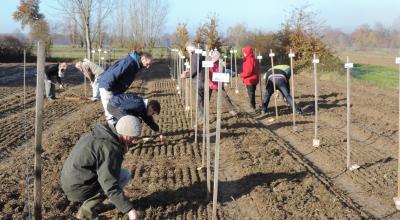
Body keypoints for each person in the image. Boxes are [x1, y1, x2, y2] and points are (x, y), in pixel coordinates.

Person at [61, 115, 143, 220]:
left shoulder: (99, 133)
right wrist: (130, 211)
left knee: (119, 174)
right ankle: (86, 209)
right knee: (123, 176)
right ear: (127, 135)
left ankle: (94, 204)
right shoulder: (110, 148)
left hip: (70, 181)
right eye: (133, 138)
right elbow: (110, 185)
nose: (133, 142)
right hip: (79, 189)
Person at [99, 51, 153, 124]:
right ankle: (114, 132)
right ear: (143, 58)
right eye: (147, 64)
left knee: (116, 109)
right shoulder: (129, 62)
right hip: (108, 86)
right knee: (110, 112)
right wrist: (108, 87)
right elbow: (115, 72)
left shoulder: (135, 64)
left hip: (114, 89)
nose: (148, 67)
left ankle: (118, 129)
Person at [181, 43, 205, 121]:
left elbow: (194, 70)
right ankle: (201, 116)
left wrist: (185, 75)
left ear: (190, 47)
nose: (188, 52)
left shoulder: (195, 54)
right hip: (203, 78)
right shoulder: (201, 52)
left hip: (198, 80)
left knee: (198, 100)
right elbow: (195, 67)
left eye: (187, 49)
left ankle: (200, 118)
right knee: (201, 99)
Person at [208, 51, 237, 115]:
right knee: (207, 97)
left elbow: (224, 66)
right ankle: (204, 109)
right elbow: (207, 72)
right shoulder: (208, 62)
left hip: (218, 81)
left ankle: (231, 109)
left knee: (225, 96)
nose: (217, 60)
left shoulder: (220, 61)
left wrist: (225, 65)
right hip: (210, 82)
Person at [239, 47, 259, 112]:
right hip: (253, 79)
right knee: (251, 93)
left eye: (244, 52)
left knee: (251, 93)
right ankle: (252, 106)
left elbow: (248, 71)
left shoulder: (249, 60)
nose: (243, 54)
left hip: (251, 79)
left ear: (247, 52)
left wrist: (241, 75)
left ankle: (252, 107)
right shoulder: (251, 59)